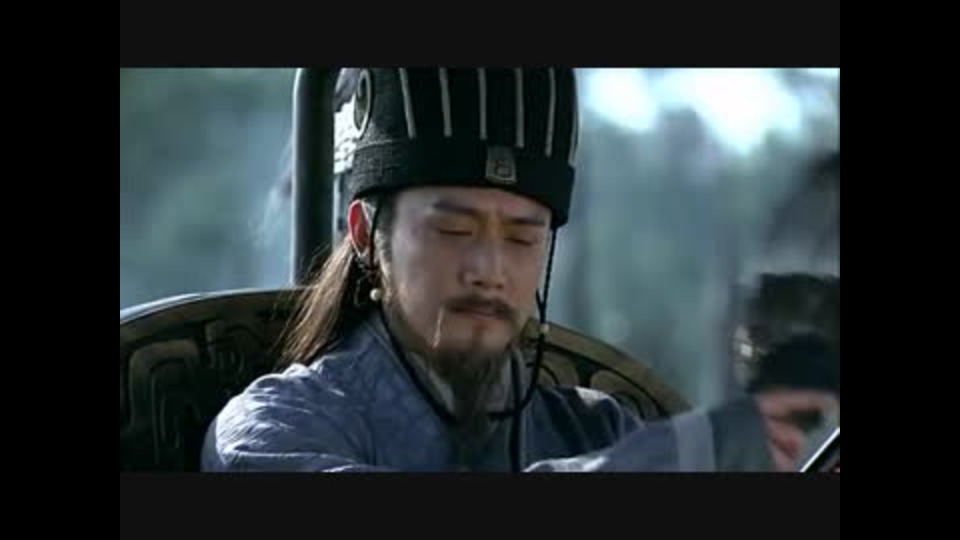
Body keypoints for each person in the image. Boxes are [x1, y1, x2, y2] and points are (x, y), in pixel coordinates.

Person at [201, 68, 837, 472]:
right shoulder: (273, 430)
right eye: (454, 230)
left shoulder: (595, 428)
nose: (489, 270)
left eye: (522, 237)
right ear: (368, 234)